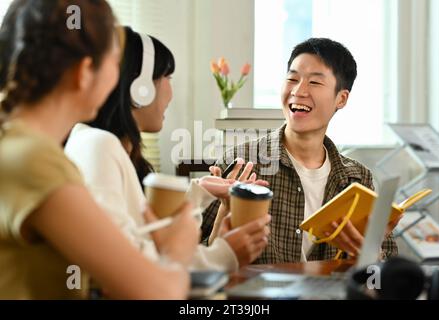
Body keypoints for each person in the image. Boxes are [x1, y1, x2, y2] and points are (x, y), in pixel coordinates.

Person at [0, 0, 199, 299]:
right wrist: (176, 252)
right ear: (84, 71)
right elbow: (159, 293)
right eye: (114, 62)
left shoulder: (22, 148)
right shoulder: (35, 161)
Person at [64, 26, 271, 272]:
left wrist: (199, 193)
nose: (171, 93)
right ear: (140, 88)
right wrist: (226, 254)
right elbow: (129, 265)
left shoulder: (104, 146)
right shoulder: (98, 145)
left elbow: (152, 242)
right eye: (168, 78)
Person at [202, 38, 401, 264]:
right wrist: (222, 223)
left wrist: (369, 255)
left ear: (341, 98)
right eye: (292, 78)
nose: (298, 90)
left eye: (315, 82)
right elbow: (194, 262)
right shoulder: (241, 163)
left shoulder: (357, 178)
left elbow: (384, 274)